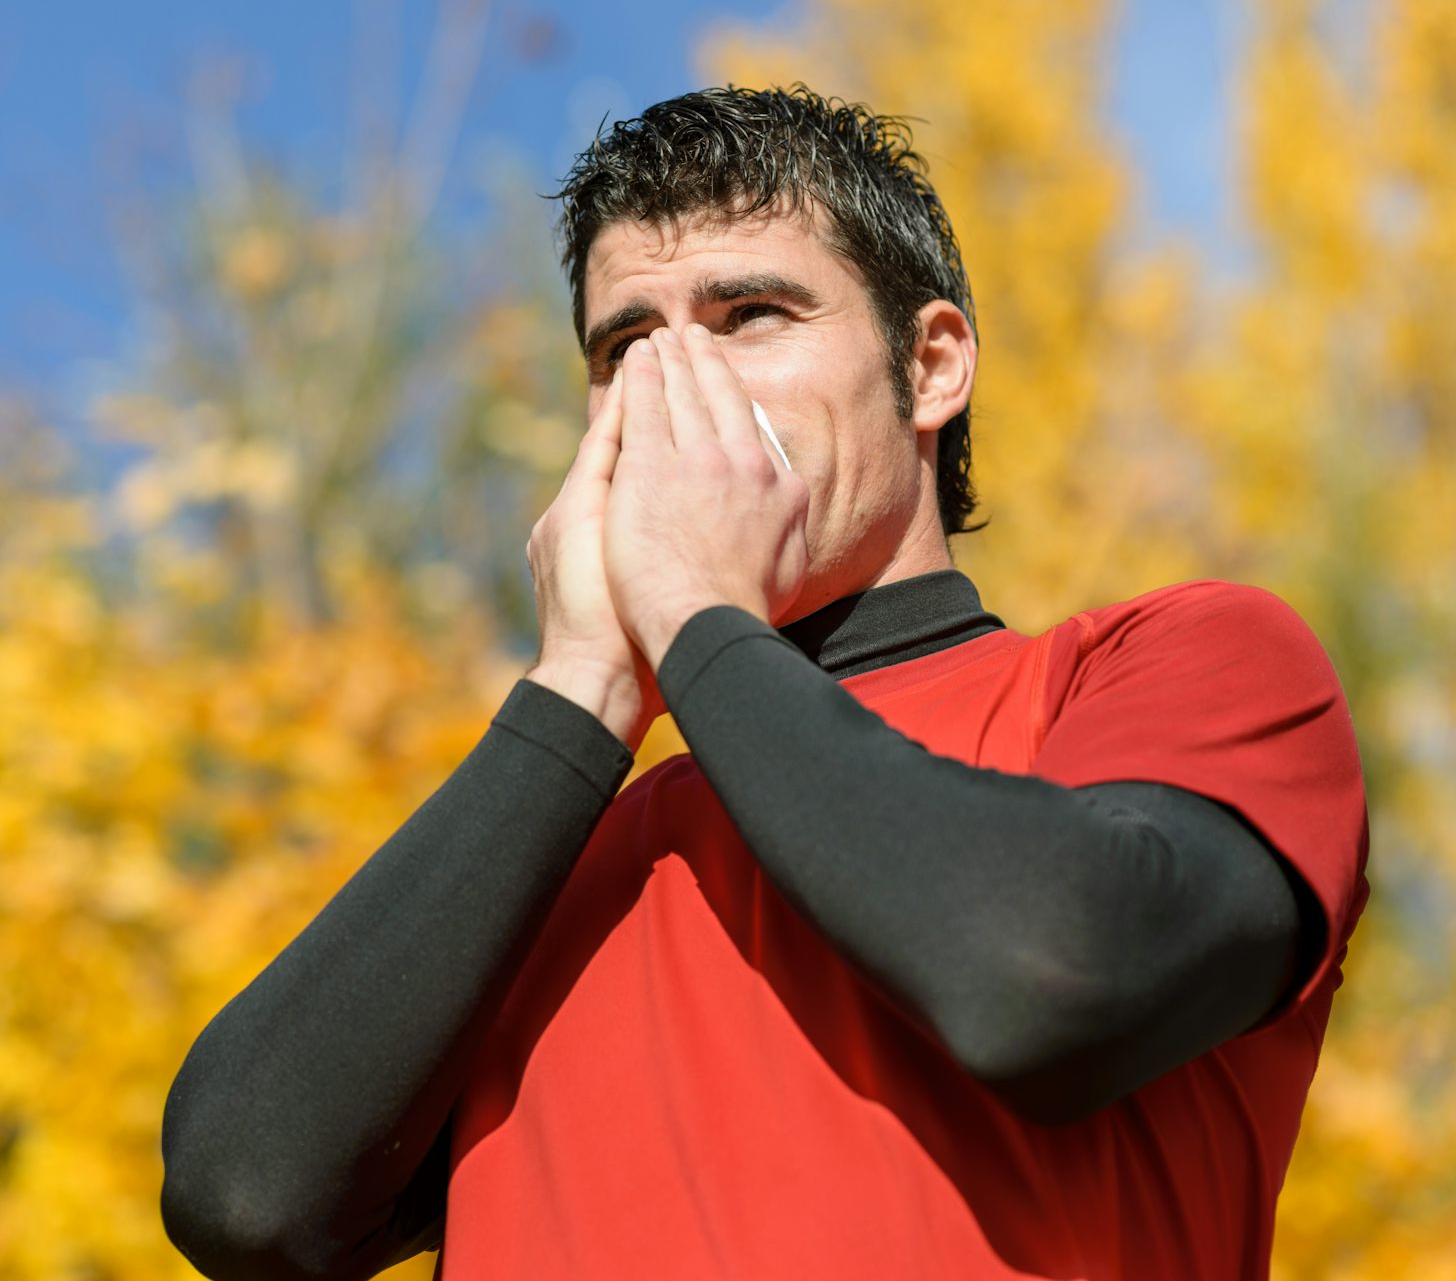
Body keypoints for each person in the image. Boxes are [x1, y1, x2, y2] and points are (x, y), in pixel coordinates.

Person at [158, 84, 1369, 1280]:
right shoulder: (550, 859)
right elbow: (245, 1196)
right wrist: (583, 684)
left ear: (931, 366)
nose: (676, 388)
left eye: (748, 316)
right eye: (626, 347)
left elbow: (1050, 978)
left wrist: (694, 609)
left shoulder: (1171, 662)